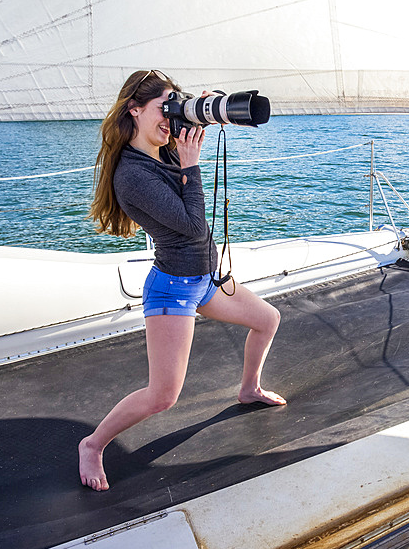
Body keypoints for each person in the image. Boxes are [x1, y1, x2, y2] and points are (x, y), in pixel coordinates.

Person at [79, 69, 285, 491]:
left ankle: (249, 389)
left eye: (173, 107)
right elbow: (192, 225)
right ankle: (93, 444)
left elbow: (184, 152)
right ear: (134, 111)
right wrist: (191, 165)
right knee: (162, 396)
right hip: (173, 289)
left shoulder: (164, 149)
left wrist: (200, 111)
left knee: (267, 319)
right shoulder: (133, 174)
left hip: (206, 279)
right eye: (163, 108)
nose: (169, 119)